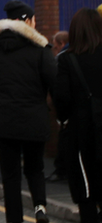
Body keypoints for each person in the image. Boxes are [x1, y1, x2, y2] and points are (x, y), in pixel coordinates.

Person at [0, 0, 57, 223]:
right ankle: (40, 208)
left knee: (10, 173)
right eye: (33, 19)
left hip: (3, 119)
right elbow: (55, 83)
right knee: (35, 168)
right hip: (34, 118)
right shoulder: (41, 49)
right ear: (27, 21)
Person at [53, 9, 102, 223]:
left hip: (81, 131)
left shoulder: (66, 59)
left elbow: (60, 98)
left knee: (85, 184)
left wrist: (63, 119)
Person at [47, 31, 70, 183]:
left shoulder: (62, 59)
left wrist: (60, 115)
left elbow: (58, 87)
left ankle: (61, 170)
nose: (54, 51)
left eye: (55, 47)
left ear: (61, 44)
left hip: (67, 111)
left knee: (65, 140)